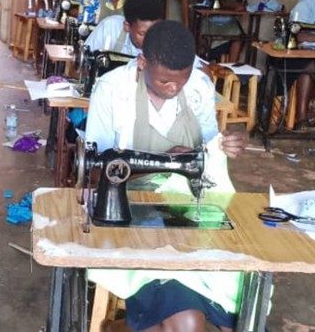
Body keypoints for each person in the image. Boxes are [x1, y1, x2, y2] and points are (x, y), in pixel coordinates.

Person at [86, 21, 245, 331]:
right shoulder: (111, 90)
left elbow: (208, 153)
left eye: (180, 82)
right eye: (164, 82)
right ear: (142, 62)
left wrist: (228, 144)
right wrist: (161, 162)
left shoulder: (198, 86)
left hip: (185, 208)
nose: (174, 89)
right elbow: (98, 172)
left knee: (242, 308)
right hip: (129, 215)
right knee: (187, 322)